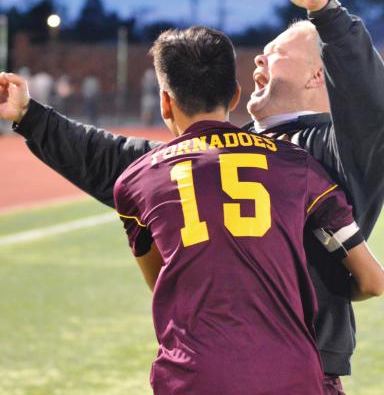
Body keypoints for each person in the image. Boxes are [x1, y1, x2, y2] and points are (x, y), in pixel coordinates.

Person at [0, 0, 383, 392]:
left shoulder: (339, 147)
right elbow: (117, 161)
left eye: (275, 53)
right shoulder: (240, 149)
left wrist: (325, 11)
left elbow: (369, 103)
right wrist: (31, 117)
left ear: (320, 74)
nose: (259, 60)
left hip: (300, 362)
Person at [113, 26, 383, 394]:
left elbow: (162, 283)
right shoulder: (298, 166)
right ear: (236, 95)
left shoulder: (136, 180)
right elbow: (373, 281)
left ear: (164, 102)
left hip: (192, 376)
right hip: (292, 374)